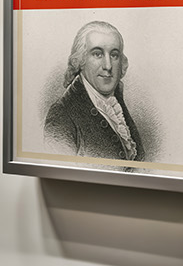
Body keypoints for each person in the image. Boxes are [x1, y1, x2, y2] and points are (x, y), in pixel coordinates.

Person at [45, 21, 145, 161]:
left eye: (114, 55)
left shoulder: (116, 104)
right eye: (97, 54)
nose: (108, 66)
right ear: (80, 60)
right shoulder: (61, 116)